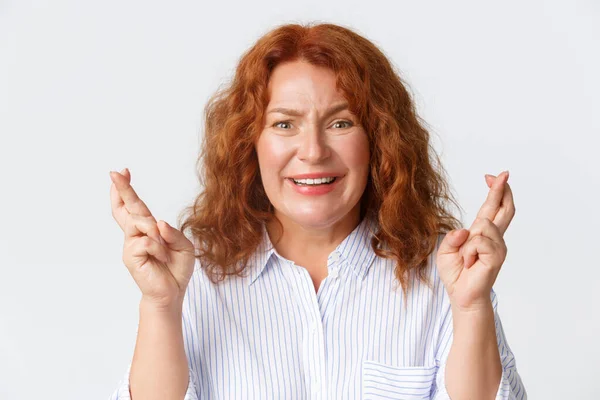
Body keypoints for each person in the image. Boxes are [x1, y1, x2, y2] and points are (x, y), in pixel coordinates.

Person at [108, 22, 527, 400]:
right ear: (248, 143)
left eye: (340, 123)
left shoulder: (442, 271)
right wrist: (161, 306)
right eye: (285, 124)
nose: (312, 152)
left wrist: (471, 308)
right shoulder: (194, 273)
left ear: (378, 141)